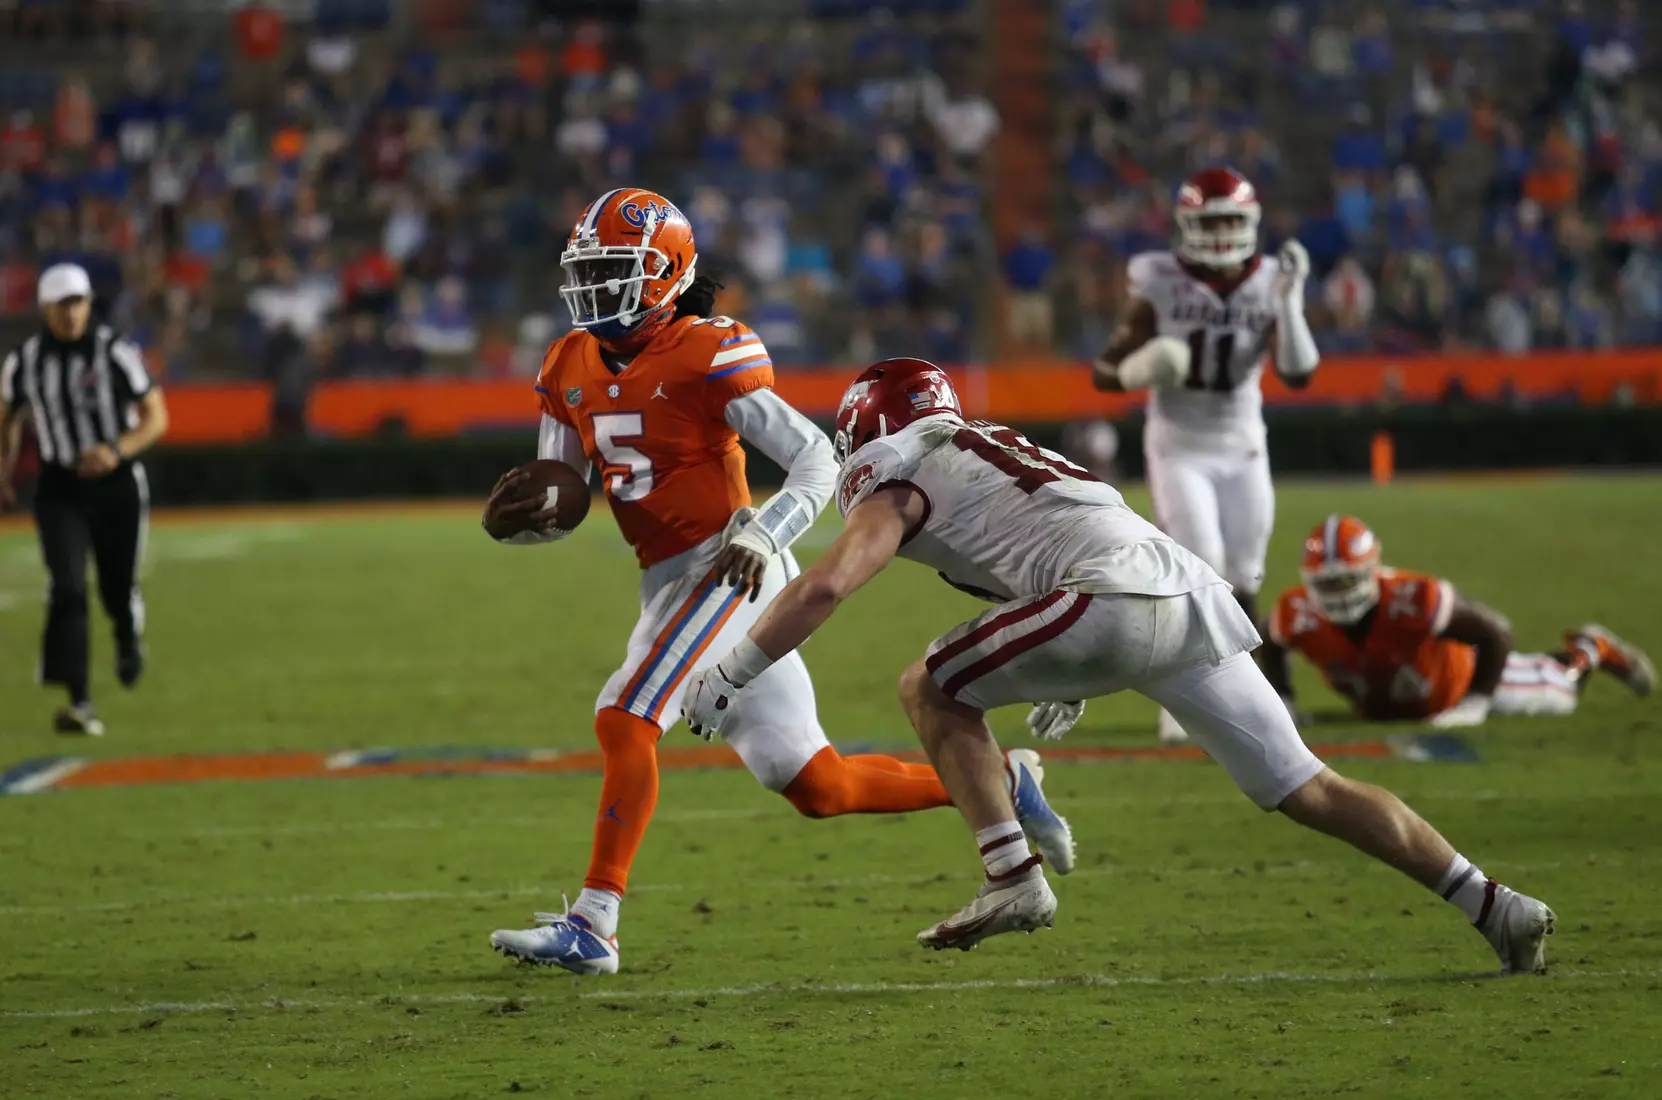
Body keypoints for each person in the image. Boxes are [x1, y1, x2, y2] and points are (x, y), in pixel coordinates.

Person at [684, 359, 1555, 976]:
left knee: (929, 685)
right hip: (1181, 588)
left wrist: (732, 668)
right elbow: (1058, 532)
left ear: (872, 428)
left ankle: (1013, 877)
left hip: (1106, 598)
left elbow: (831, 584)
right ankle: (1494, 905)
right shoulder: (989, 447)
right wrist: (1068, 658)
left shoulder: (904, 474)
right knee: (1309, 785)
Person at [480, 189, 1072, 976]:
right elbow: (567, 482)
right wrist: (537, 513)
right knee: (814, 783)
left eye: (615, 270)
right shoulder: (567, 361)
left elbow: (818, 459)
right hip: (668, 579)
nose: (595, 289)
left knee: (626, 717)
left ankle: (595, 922)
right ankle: (1003, 780)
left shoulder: (706, 350)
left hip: (730, 563)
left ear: (665, 273)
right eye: (589, 272)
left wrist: (765, 530)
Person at [1091, 166, 1321, 744]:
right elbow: (1105, 370)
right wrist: (1145, 368)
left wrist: (1290, 304)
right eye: (1210, 221)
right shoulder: (1159, 278)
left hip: (1243, 444)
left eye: (1229, 221)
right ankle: (1182, 700)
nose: (1220, 234)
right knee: (1203, 565)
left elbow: (1298, 373)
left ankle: (1258, 694)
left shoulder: (1271, 279)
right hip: (1179, 447)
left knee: (1245, 573)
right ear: (1187, 225)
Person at [1262, 515, 1654, 725]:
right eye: (1326, 583)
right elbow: (1272, 639)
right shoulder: (1297, 613)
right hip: (1397, 704)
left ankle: (1589, 650)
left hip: (1464, 682)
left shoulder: (1412, 598)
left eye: (1346, 579)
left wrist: (1475, 704)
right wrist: (1285, 701)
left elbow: (1496, 633)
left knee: (1559, 695)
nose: (1337, 593)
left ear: (1371, 570)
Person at [0, 263, 169, 736]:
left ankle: (126, 632)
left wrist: (116, 451)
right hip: (60, 488)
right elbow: (7, 416)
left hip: (116, 485)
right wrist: (4, 470)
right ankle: (79, 700)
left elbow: (157, 418)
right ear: (44, 308)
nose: (72, 314)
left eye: (78, 303)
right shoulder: (25, 360)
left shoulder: (115, 351)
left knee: (115, 587)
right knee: (68, 588)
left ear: (90, 303)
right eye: (62, 305)